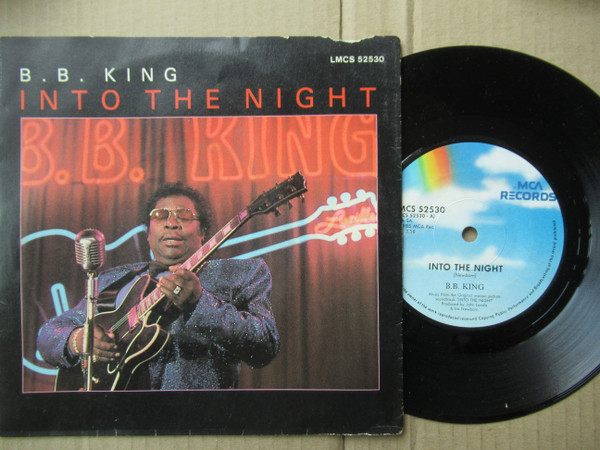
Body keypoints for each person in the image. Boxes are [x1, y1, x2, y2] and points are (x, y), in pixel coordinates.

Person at [37, 182, 280, 390]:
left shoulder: (241, 273)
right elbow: (49, 333)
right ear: (148, 234)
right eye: (160, 216)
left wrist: (200, 303)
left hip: (196, 418)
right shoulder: (112, 279)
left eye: (184, 215)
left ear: (204, 232)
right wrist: (78, 339)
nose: (172, 223)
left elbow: (265, 346)